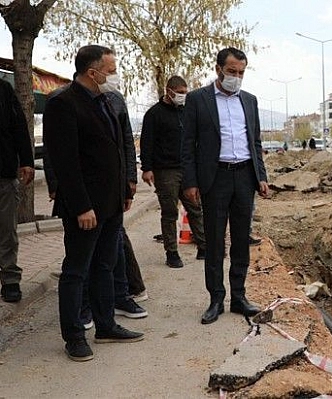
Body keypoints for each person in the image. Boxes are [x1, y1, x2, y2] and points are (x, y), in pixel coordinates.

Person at [44, 45, 143, 362]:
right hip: (85, 208)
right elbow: (66, 163)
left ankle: (106, 326)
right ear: (92, 72)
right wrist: (82, 206)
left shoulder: (106, 101)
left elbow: (115, 150)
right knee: (76, 271)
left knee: (105, 265)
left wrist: (124, 194)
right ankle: (74, 336)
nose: (114, 76)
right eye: (110, 70)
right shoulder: (63, 104)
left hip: (111, 205)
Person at [181, 47, 269, 325]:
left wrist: (261, 176)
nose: (236, 77)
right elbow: (187, 145)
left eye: (241, 72)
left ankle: (239, 298)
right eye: (232, 71)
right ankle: (216, 298)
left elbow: (255, 143)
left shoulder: (250, 101)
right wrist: (190, 181)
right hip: (215, 177)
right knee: (215, 241)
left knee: (242, 240)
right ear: (218, 68)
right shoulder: (198, 100)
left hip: (244, 177)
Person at [141, 75, 207, 269]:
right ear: (168, 91)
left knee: (195, 208)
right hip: (165, 171)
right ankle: (172, 252)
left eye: (185, 93)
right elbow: (147, 143)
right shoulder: (154, 114)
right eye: (180, 93)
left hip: (188, 169)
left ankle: (204, 247)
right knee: (169, 212)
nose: (183, 96)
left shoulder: (188, 112)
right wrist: (147, 168)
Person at [0, 80, 34, 303]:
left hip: (3, 172)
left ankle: (10, 279)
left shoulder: (3, 89)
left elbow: (19, 125)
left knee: (6, 229)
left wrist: (27, 160)